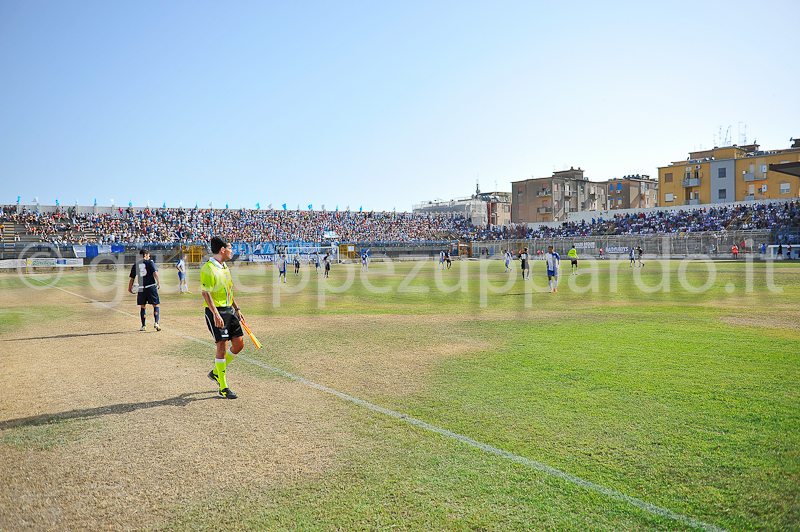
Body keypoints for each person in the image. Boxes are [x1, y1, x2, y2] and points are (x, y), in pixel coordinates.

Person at [201, 237, 243, 400]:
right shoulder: (208, 268)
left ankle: (217, 372)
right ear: (222, 250)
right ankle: (223, 388)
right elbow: (206, 293)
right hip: (216, 312)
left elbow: (228, 291)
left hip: (229, 310)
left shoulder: (225, 267)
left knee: (239, 344)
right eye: (230, 248)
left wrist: (236, 308)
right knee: (222, 347)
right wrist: (216, 314)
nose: (232, 251)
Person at [128, 249, 161, 331]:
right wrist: (158, 283)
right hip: (151, 287)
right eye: (148, 255)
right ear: (145, 255)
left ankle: (143, 326)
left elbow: (132, 278)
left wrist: (130, 288)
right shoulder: (150, 262)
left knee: (143, 306)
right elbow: (155, 273)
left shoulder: (136, 264)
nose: (149, 257)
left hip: (141, 288)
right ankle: (156, 322)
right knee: (155, 305)